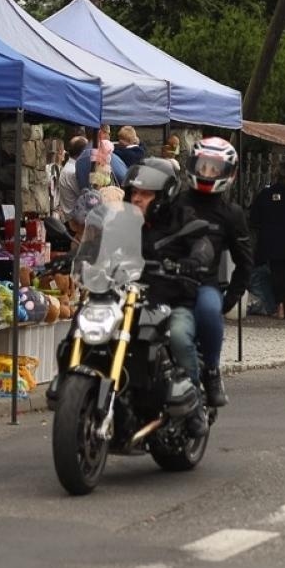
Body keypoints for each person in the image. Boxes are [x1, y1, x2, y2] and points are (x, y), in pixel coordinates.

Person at [125, 157, 214, 437]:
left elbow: (203, 243)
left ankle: (195, 406)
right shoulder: (123, 220)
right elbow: (99, 244)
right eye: (134, 192)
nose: (137, 198)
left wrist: (195, 259)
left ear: (164, 196)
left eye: (146, 194)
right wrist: (74, 257)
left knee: (178, 336)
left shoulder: (182, 218)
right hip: (130, 299)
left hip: (172, 300)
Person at [182, 137, 253, 408]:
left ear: (228, 173)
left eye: (214, 168)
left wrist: (229, 299)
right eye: (203, 166)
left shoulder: (231, 214)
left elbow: (245, 262)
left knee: (210, 311)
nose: (207, 173)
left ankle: (211, 371)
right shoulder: (176, 202)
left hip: (204, 283)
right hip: (168, 278)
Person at [249, 162, 285, 320]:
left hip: (273, 243)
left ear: (274, 176)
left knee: (278, 275)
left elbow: (254, 220)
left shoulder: (265, 194)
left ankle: (280, 308)